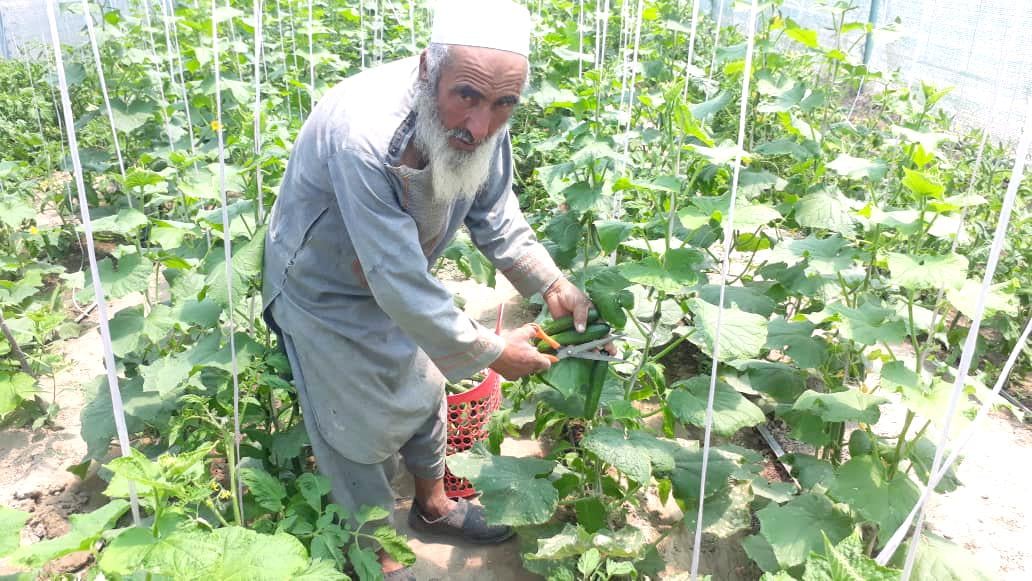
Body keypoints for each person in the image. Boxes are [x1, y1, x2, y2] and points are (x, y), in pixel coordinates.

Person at [260, 0, 594, 577]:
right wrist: (492, 352)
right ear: (426, 71)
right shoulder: (362, 133)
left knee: (425, 385)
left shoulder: (485, 120)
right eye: (466, 95)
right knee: (351, 429)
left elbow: (494, 212)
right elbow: (391, 276)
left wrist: (551, 281)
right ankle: (376, 554)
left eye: (503, 104)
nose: (480, 125)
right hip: (326, 288)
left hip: (400, 275)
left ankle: (433, 507)